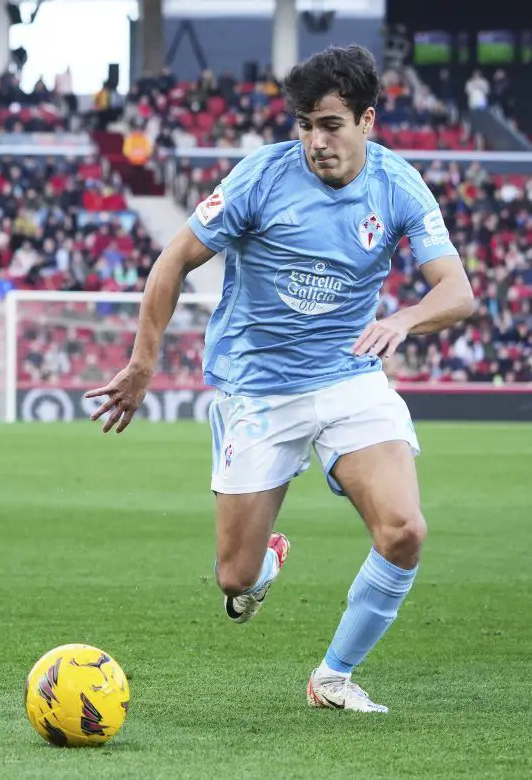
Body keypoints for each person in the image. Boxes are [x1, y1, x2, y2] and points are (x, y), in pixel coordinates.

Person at [86, 45, 474, 713]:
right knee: (234, 579)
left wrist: (406, 319)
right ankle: (263, 562)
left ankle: (332, 677)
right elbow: (173, 260)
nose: (315, 141)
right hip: (258, 387)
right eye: (303, 124)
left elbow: (458, 291)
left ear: (366, 120)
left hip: (350, 377)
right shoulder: (259, 178)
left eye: (330, 124)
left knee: (405, 529)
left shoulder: (398, 185)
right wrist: (143, 363)